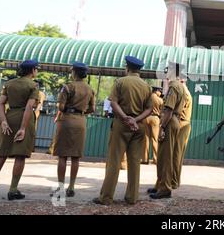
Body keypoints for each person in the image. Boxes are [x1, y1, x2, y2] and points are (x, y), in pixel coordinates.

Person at [93, 56, 152, 205]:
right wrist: (135, 120)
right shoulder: (147, 86)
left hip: (121, 124)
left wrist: (126, 118)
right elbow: (149, 109)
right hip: (139, 126)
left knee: (114, 161)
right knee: (134, 162)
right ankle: (132, 197)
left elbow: (113, 103)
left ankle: (106, 197)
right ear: (139, 69)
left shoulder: (120, 82)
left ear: (127, 67)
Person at [0, 60, 40, 201]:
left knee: (2, 154)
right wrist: (22, 128)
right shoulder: (33, 85)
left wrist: (3, 121)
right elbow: (29, 108)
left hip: (8, 118)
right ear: (33, 70)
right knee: (20, 156)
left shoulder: (9, 84)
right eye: (36, 69)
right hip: (24, 119)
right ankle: (13, 190)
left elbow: (1, 103)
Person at [51, 62, 95, 198]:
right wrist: (81, 112)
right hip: (81, 121)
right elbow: (92, 109)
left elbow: (61, 107)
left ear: (74, 72)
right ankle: (72, 187)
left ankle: (61, 187)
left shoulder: (67, 87)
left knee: (63, 156)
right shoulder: (90, 89)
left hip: (67, 121)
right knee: (76, 156)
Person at [148, 62, 187, 199]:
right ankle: (160, 185)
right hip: (173, 121)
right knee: (165, 155)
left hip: (169, 122)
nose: (166, 73)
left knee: (165, 157)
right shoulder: (180, 86)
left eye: (168, 71)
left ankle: (165, 188)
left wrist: (162, 127)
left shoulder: (174, 86)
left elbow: (169, 110)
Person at [171, 77, 192, 189]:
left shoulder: (184, 93)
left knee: (176, 155)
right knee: (176, 154)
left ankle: (173, 181)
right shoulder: (185, 92)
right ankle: (174, 180)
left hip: (182, 124)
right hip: (182, 123)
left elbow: (175, 109)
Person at [143, 87, 163, 165]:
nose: (160, 93)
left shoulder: (147, 98)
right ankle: (156, 159)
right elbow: (162, 111)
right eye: (160, 91)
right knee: (155, 139)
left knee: (146, 138)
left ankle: (145, 159)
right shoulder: (160, 100)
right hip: (155, 118)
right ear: (156, 91)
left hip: (146, 118)